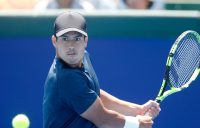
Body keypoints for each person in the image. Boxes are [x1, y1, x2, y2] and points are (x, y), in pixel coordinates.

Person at [43, 11, 161, 128]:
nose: (71, 45)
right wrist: (137, 124)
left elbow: (93, 95)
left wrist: (137, 110)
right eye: (65, 38)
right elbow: (103, 120)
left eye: (77, 38)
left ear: (86, 41)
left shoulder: (84, 57)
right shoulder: (67, 78)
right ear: (54, 41)